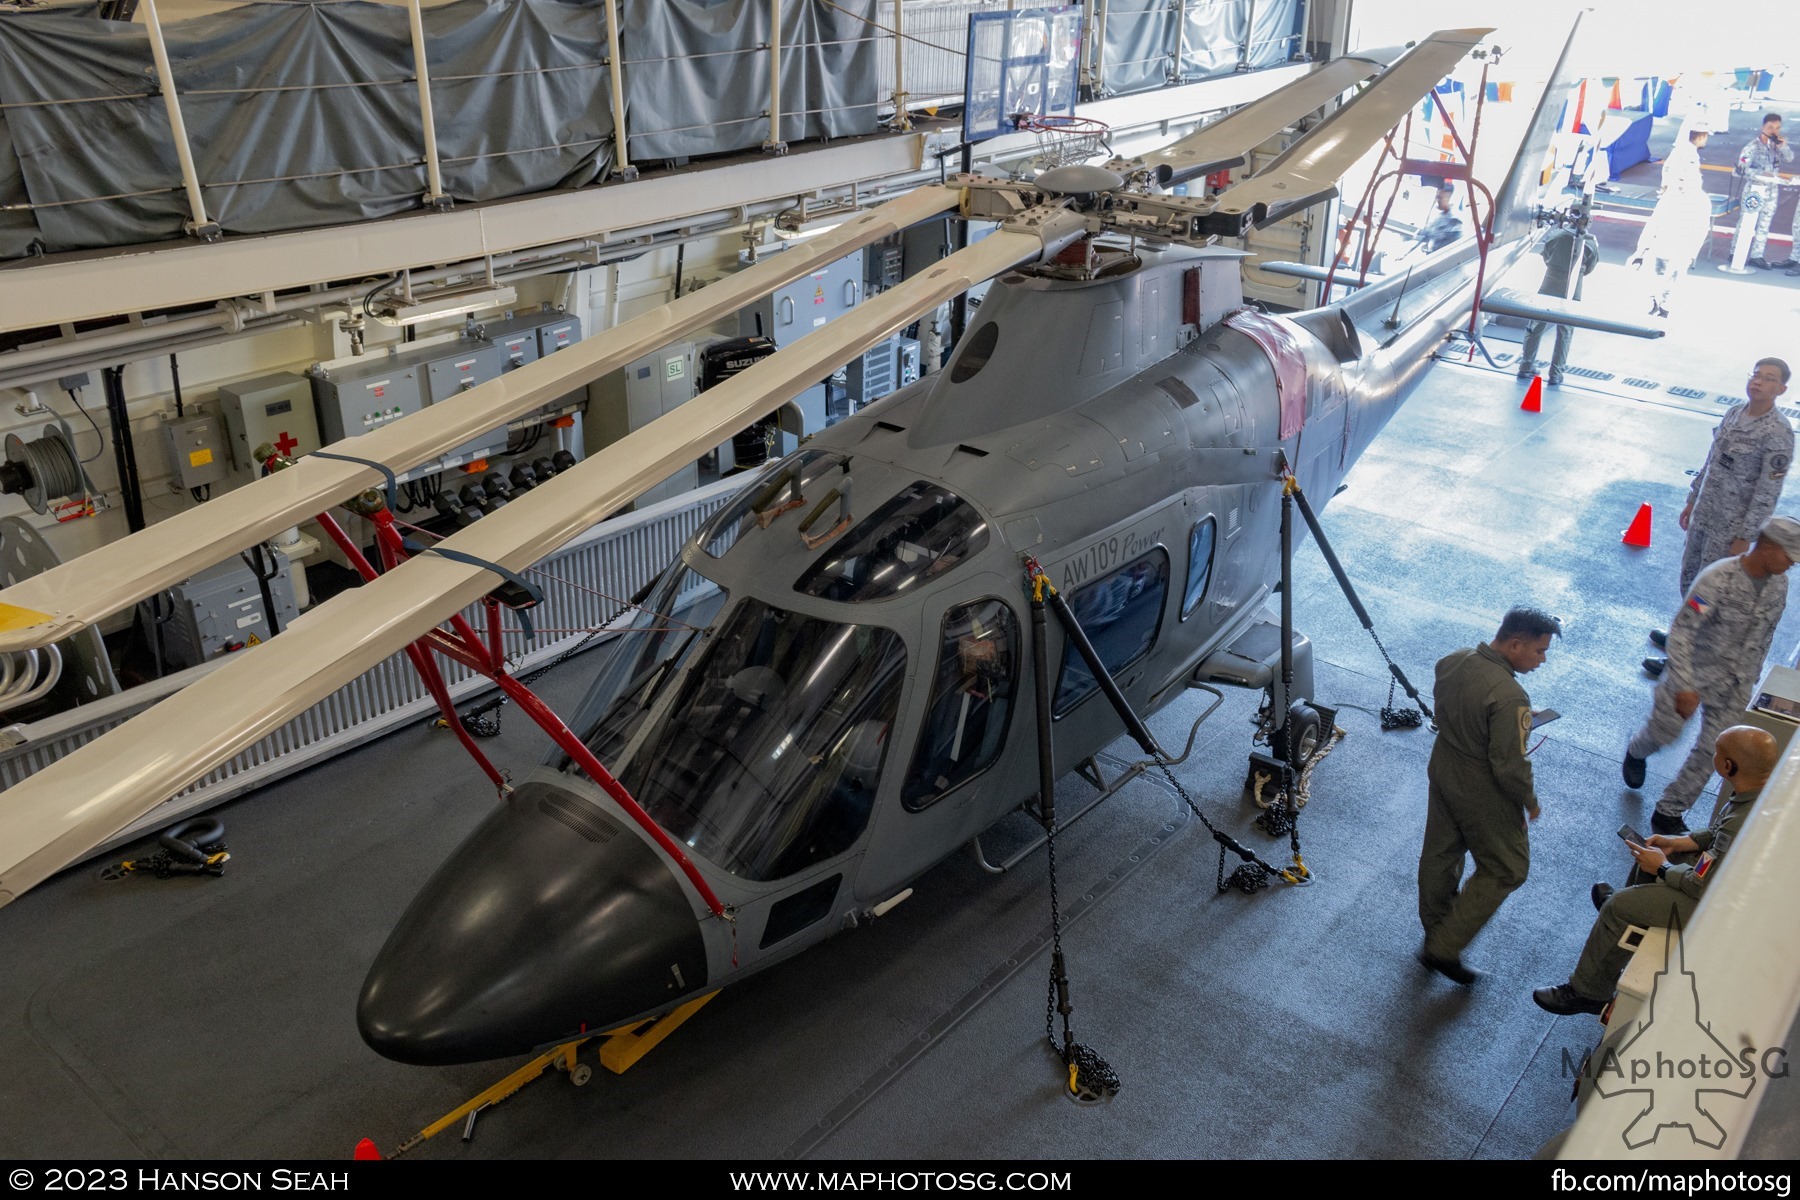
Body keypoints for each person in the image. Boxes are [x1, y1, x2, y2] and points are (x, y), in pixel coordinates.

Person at [1535, 724, 1778, 1015]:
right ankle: (1632, 911)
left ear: (1728, 765)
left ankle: (1588, 992)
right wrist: (1678, 842)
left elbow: (1700, 884)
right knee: (1656, 859)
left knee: (1621, 903)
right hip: (1728, 887)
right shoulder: (1760, 793)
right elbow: (1718, 834)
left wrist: (1661, 867)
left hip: (1719, 907)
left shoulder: (1743, 817)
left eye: (1717, 753)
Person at [1625, 518, 1800, 835]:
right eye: (1789, 556)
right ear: (1769, 546)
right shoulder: (1717, 580)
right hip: (1692, 674)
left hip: (1735, 683)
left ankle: (1669, 811)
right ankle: (1637, 750)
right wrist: (1686, 684)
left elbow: (1765, 636)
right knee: (1664, 733)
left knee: (1715, 751)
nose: (1791, 565)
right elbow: (1682, 632)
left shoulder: (1778, 585)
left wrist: (1750, 680)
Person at [1417, 607, 1561, 985]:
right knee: (1507, 867)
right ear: (1515, 644)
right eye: (1539, 651)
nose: (1543, 659)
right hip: (1482, 785)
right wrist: (1529, 799)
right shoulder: (1511, 696)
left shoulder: (1453, 660)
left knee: (1441, 851)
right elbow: (1508, 764)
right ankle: (1444, 946)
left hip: (1444, 763)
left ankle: (1435, 929)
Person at [1647, 357, 1794, 674]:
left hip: (1731, 529)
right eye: (1756, 375)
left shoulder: (1778, 432)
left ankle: (1685, 661)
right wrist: (1692, 499)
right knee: (1689, 579)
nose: (1758, 381)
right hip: (1705, 514)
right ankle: (1681, 636)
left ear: (1781, 389)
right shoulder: (1734, 413)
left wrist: (1746, 536)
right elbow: (1711, 461)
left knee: (1707, 593)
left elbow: (1767, 492)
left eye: (1768, 378)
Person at [1630, 128, 1712, 317]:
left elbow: (1702, 229)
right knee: (1654, 276)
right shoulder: (1670, 197)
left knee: (1673, 278)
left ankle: (1665, 307)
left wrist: (1692, 253)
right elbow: (1654, 224)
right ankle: (1652, 302)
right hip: (1663, 243)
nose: (1682, 181)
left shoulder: (1700, 201)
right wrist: (1641, 250)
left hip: (1682, 245)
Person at [1516, 207, 1600, 386]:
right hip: (1573, 286)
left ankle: (1526, 365)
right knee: (1565, 331)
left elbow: (1546, 255)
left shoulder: (1556, 235)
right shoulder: (1590, 243)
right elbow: (1591, 266)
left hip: (1550, 282)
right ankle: (1556, 373)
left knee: (1536, 324)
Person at [1733, 112, 1792, 270]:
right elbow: (1740, 170)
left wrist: (1783, 146)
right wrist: (1759, 173)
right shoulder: (1752, 147)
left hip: (1772, 191)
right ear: (1762, 127)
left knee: (1764, 225)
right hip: (1754, 191)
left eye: (1777, 128)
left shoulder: (1776, 145)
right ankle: (1735, 252)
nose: (1774, 131)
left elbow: (1790, 158)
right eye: (1770, 127)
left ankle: (1756, 255)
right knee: (1745, 222)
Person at [1413, 181, 1464, 254]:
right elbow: (1428, 232)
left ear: (1449, 197)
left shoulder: (1455, 221)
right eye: (1437, 197)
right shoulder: (1440, 217)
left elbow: (1452, 250)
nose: (1437, 200)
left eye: (1439, 198)